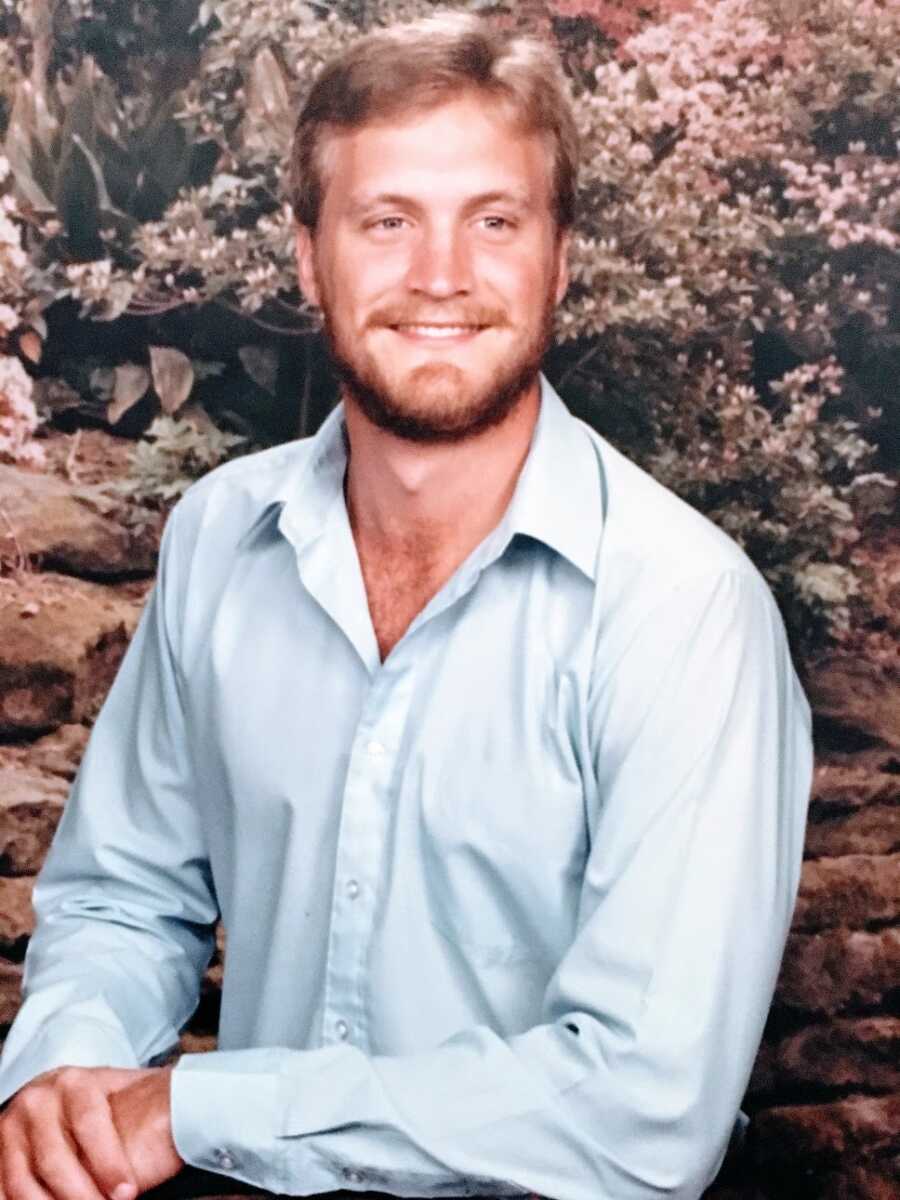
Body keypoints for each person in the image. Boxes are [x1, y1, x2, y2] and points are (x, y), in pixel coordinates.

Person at [0, 11, 813, 1200]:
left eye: (495, 221)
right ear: (306, 256)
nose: (442, 276)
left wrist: (203, 1108)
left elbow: (645, 1110)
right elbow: (127, 895)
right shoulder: (224, 540)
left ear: (560, 257)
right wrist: (66, 1083)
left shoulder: (685, 612)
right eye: (388, 222)